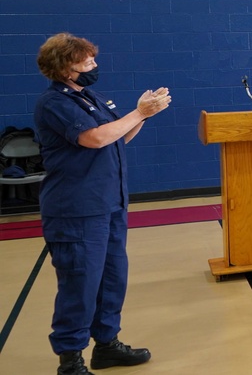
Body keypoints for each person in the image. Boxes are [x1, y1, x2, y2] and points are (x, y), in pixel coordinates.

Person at [33, 33, 171, 375]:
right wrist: (136, 112)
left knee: (112, 278)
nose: (94, 65)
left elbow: (117, 135)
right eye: (86, 61)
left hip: (108, 204)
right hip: (76, 209)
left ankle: (107, 345)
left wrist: (143, 115)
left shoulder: (90, 97)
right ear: (66, 69)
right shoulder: (55, 103)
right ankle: (70, 359)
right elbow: (94, 138)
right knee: (80, 284)